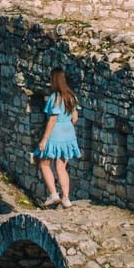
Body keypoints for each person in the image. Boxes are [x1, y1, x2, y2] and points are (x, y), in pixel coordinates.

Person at [33, 68, 81, 208]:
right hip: (68, 133)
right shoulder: (71, 96)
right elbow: (75, 118)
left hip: (56, 133)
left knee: (44, 163)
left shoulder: (55, 97)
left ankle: (53, 194)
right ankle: (66, 198)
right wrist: (67, 126)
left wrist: (44, 139)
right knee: (61, 167)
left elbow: (52, 120)